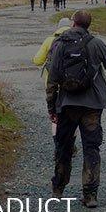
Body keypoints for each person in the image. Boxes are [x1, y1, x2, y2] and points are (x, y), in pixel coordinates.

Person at [47, 10, 106, 207]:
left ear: (73, 23)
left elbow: (52, 77)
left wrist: (52, 107)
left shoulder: (60, 44)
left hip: (66, 105)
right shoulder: (96, 44)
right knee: (91, 148)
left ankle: (58, 189)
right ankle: (90, 195)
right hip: (92, 106)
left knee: (63, 147)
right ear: (88, 25)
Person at [33, 17, 74, 147]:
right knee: (72, 114)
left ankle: (57, 143)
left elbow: (37, 60)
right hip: (72, 84)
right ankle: (71, 143)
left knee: (56, 115)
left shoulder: (49, 40)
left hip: (52, 85)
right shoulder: (77, 40)